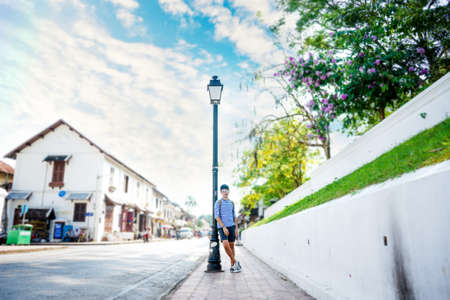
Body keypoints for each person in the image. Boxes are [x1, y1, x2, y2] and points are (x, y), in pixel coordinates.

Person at [214, 184, 242, 273]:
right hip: (222, 227)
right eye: (223, 191)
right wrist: (223, 227)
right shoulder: (218, 202)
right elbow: (217, 216)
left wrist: (236, 229)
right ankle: (235, 262)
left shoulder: (232, 203)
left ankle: (233, 266)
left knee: (232, 246)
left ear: (228, 191)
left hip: (231, 226)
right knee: (226, 245)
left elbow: (234, 217)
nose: (225, 192)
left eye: (226, 190)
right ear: (221, 192)